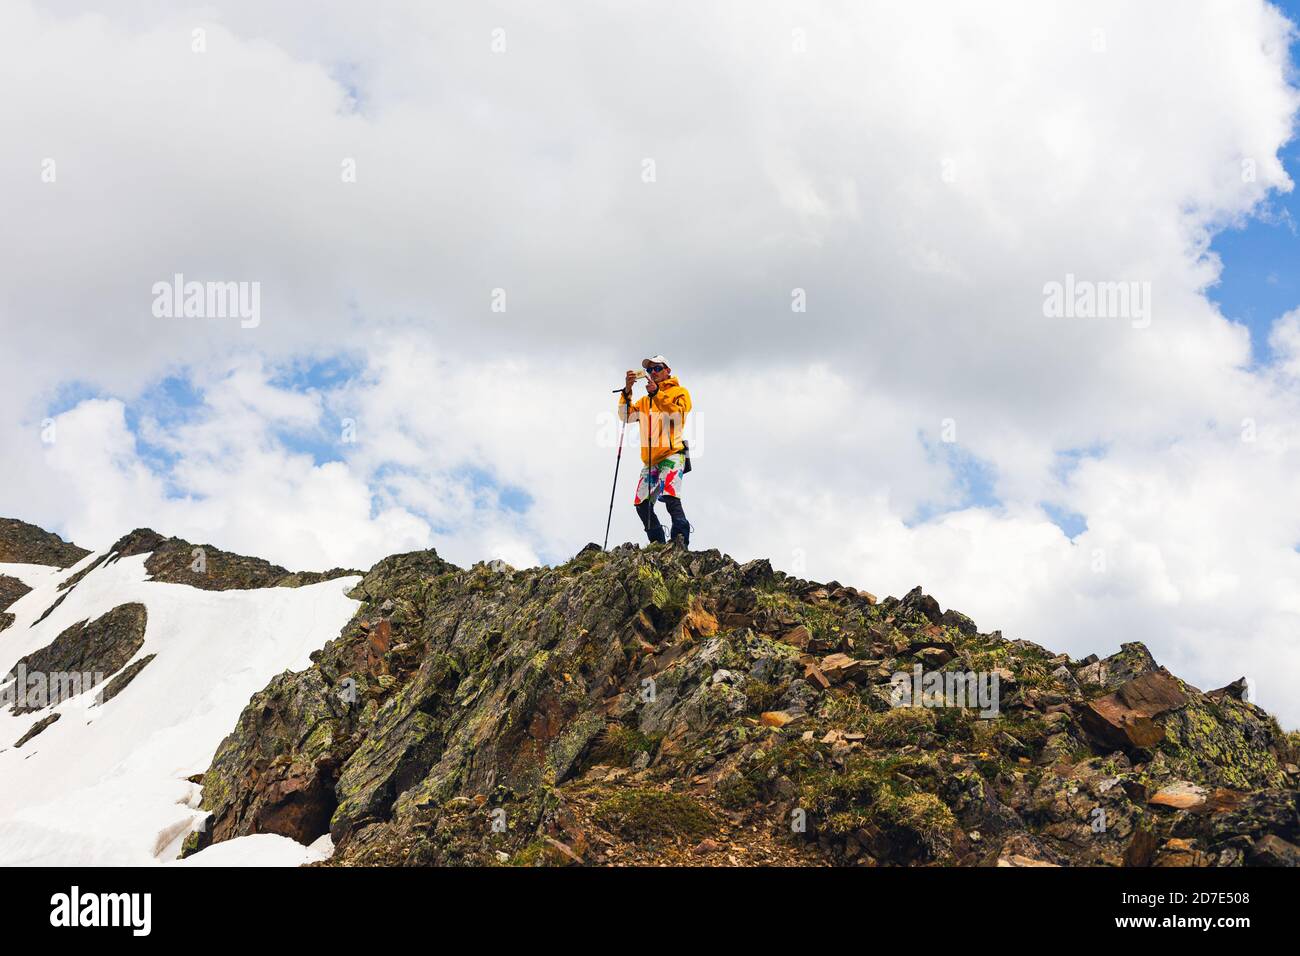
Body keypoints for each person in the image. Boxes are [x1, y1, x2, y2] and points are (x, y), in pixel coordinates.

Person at [619, 355, 692, 548]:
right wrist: (627, 390)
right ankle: (657, 542)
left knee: (670, 496)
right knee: (641, 503)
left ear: (668, 370)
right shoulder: (644, 401)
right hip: (650, 461)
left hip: (673, 453)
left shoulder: (680, 392)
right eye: (650, 370)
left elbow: (677, 416)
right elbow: (625, 416)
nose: (653, 373)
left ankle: (680, 539)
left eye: (657, 368)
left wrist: (657, 394)